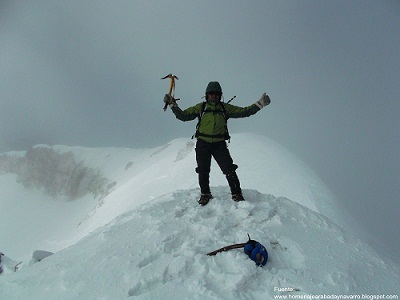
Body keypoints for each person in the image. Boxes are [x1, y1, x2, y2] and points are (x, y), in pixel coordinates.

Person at [164, 81, 270, 205]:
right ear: (207, 95)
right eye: (211, 94)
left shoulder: (225, 108)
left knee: (229, 169)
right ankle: (205, 194)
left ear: (220, 95)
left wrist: (260, 104)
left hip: (219, 144)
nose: (214, 96)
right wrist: (172, 105)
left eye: (216, 94)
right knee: (203, 170)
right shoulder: (201, 107)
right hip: (203, 143)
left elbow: (245, 112)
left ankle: (237, 194)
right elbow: (183, 116)